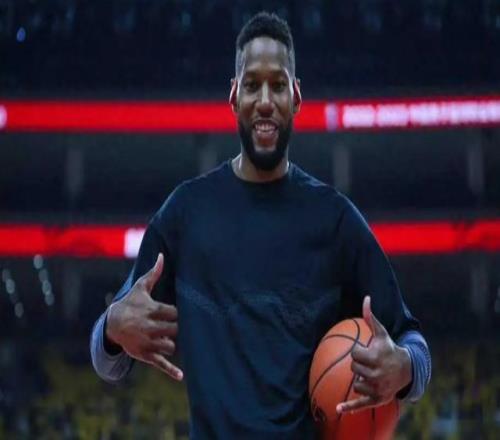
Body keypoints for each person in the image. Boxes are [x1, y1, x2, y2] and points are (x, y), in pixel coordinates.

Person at [90, 11, 431, 439]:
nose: (265, 100)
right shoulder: (185, 214)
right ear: (234, 96)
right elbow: (108, 361)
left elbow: (413, 342)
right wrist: (112, 328)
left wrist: (404, 368)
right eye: (252, 85)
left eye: (278, 85)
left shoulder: (336, 221)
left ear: (296, 97)